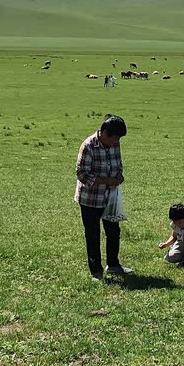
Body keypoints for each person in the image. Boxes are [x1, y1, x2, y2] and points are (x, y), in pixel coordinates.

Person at [75, 115, 129, 281]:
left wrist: (119, 175)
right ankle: (96, 271)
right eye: (114, 138)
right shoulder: (88, 146)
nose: (116, 142)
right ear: (104, 133)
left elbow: (118, 163)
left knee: (113, 231)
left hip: (110, 197)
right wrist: (106, 181)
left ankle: (113, 264)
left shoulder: (115, 143)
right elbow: (81, 174)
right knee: (93, 235)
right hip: (90, 199)